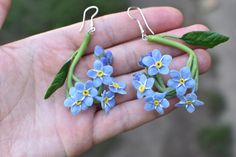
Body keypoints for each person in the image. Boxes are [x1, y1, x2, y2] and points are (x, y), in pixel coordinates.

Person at [0, 1, 211, 156]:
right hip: (114, 83)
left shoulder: (107, 81)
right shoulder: (96, 82)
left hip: (134, 81)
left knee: (193, 57)